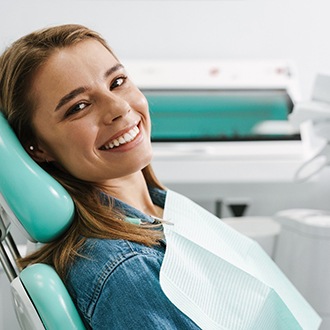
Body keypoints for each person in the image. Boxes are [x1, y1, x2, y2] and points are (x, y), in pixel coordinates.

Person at [0, 24, 200, 329]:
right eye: (78, 107)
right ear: (37, 148)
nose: (118, 108)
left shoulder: (165, 212)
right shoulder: (125, 272)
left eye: (117, 81)